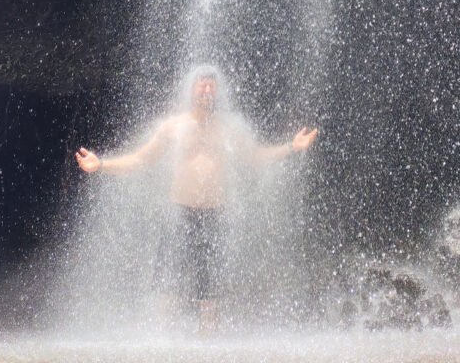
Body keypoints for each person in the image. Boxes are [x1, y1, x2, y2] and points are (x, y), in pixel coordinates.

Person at [74, 65, 318, 331]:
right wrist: (102, 165)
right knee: (168, 288)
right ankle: (162, 346)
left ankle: (208, 346)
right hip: (179, 213)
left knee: (210, 294)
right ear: (190, 89)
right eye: (201, 83)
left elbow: (255, 157)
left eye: (212, 84)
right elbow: (141, 159)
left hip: (215, 213)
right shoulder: (173, 127)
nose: (207, 88)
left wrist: (291, 147)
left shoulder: (230, 128)